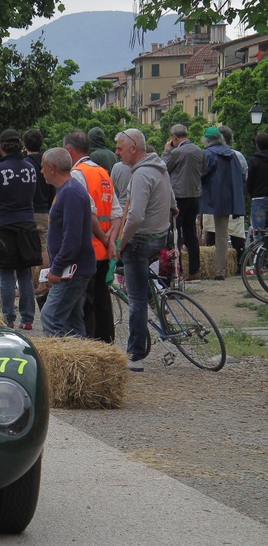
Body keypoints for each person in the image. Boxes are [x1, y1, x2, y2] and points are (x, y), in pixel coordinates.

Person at [115, 128, 175, 372]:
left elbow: (135, 215)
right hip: (159, 238)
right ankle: (163, 316)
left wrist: (121, 243)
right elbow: (173, 203)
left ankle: (136, 355)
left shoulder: (140, 175)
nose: (117, 152)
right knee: (143, 287)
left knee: (136, 298)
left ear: (132, 148)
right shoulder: (160, 168)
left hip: (140, 242)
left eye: (119, 148)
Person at [0, 129, 42, 329]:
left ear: (1, 147)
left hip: (5, 223)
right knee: (25, 272)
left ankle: (8, 318)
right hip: (27, 222)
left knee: (6, 273)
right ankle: (28, 318)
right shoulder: (30, 168)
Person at [63, 129, 122, 343]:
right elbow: (116, 213)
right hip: (105, 250)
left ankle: (90, 347)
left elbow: (88, 211)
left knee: (86, 304)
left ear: (69, 151)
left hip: (88, 249)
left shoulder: (78, 173)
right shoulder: (103, 173)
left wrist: (103, 237)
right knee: (102, 301)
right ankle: (107, 344)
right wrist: (111, 239)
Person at [38, 148, 96, 337]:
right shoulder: (67, 190)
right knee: (71, 319)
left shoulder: (70, 193)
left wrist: (57, 267)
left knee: (50, 316)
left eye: (43, 167)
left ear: (52, 168)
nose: (41, 171)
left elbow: (72, 238)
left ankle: (59, 362)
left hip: (72, 269)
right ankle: (78, 361)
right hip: (74, 267)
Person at [201, 126, 246, 280]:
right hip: (228, 198)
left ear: (207, 140)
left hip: (208, 197)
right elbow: (240, 176)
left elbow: (201, 174)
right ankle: (220, 271)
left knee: (192, 229)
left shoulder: (207, 154)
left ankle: (190, 268)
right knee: (222, 234)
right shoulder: (232, 155)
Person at [162, 123, 205, 281]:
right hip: (195, 195)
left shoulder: (176, 152)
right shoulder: (199, 150)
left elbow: (163, 167)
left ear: (174, 137)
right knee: (191, 233)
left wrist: (167, 151)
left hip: (179, 197)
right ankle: (194, 271)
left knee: (174, 234)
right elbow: (203, 168)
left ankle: (176, 271)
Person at [24, 129, 54, 268]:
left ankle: (28, 284)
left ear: (24, 144)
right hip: (43, 210)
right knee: (43, 247)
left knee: (28, 248)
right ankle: (44, 282)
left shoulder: (23, 165)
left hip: (27, 211)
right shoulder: (47, 163)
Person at [248, 132, 268, 236]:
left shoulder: (254, 160)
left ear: (257, 145)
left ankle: (260, 252)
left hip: (259, 197)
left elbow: (250, 181)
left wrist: (253, 193)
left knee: (259, 234)